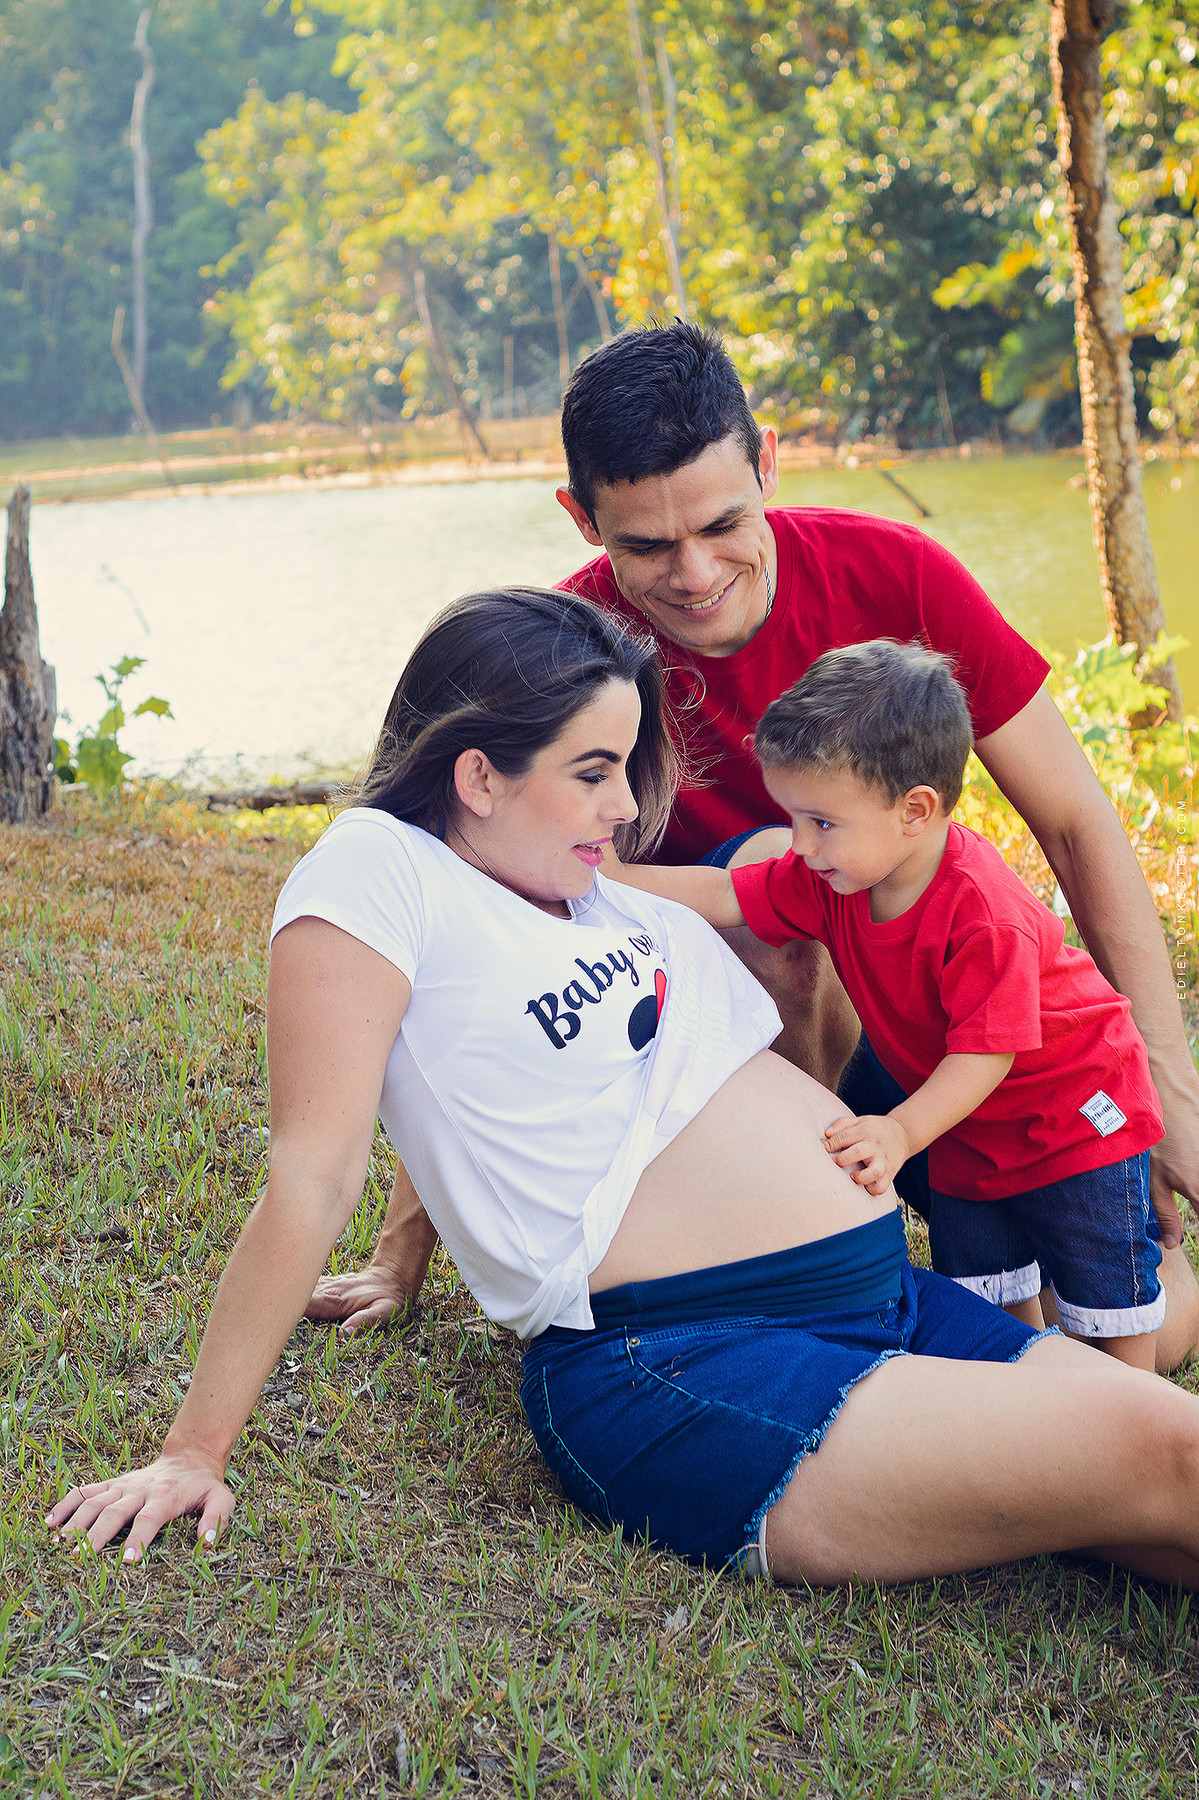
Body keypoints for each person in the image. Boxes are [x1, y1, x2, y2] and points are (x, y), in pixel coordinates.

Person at [43, 590, 1199, 1588]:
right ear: (476, 775)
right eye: (594, 773)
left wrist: (405, 1256)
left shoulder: (572, 883)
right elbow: (315, 1163)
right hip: (689, 1361)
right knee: (1171, 1461)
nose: (623, 808)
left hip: (881, 1301)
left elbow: (495, 1084)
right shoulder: (378, 870)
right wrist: (192, 1452)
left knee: (1160, 1490)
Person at [316, 321, 1199, 1370]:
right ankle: (792, 1241)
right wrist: (400, 1253)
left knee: (1141, 1327)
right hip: (724, 1055)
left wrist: (1163, 1089)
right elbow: (473, 936)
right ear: (580, 518)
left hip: (947, 1047)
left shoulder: (897, 577)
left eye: (722, 523)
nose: (693, 574)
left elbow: (1075, 824)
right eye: (645, 546)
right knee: (764, 880)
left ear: (766, 463)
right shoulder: (566, 663)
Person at [607, 639, 1166, 1370]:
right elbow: (722, 894)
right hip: (965, 1121)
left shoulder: (981, 915)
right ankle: (1028, 1384)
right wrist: (604, 878)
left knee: (1102, 1293)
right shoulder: (836, 875)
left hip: (1071, 1117)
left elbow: (985, 1054)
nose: (799, 845)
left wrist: (901, 1133)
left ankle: (1131, 1406)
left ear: (914, 811)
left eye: (821, 822)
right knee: (983, 1284)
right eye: (793, 818)